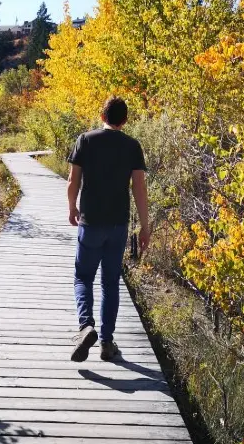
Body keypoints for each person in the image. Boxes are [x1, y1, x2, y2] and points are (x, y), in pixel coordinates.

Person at [67, 96, 150, 362]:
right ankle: (106, 342)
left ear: (102, 116)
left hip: (90, 222)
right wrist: (145, 227)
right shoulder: (132, 146)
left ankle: (86, 326)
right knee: (110, 283)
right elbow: (139, 188)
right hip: (118, 225)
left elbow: (73, 180)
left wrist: (72, 207)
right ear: (124, 120)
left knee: (83, 277)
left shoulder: (86, 140)